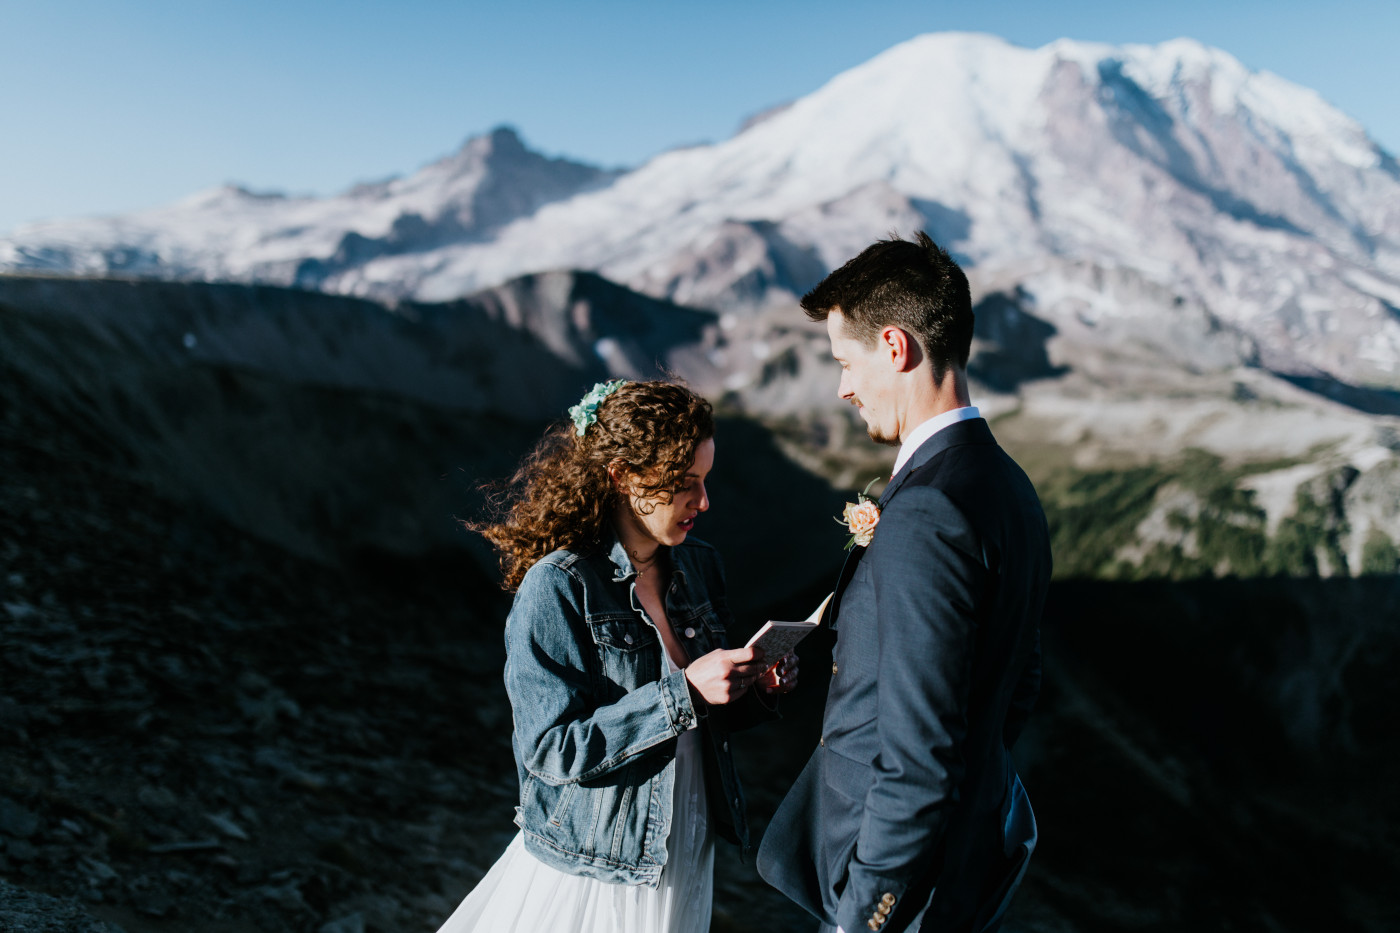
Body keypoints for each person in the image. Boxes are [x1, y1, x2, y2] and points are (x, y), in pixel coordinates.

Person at [757, 233, 1050, 933]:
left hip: (900, 896)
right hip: (958, 869)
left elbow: (918, 758)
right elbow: (1020, 680)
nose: (843, 387)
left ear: (894, 346)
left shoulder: (927, 510)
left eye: (845, 361)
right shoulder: (1009, 486)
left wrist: (866, 913)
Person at [435, 379, 799, 933]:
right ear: (622, 476)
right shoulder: (558, 586)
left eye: (705, 481)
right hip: (600, 859)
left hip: (685, 839)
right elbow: (550, 750)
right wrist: (685, 691)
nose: (703, 502)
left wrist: (756, 691)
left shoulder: (699, 565)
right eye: (684, 483)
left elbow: (702, 719)